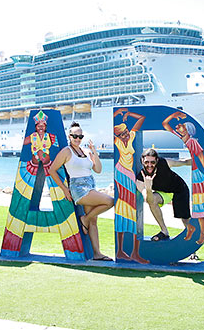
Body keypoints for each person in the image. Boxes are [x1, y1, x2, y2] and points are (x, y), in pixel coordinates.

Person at [48, 122, 113, 261]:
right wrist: (65, 189)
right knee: (109, 201)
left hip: (90, 184)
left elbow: (98, 170)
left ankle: (97, 254)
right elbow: (52, 170)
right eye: (75, 136)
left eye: (80, 136)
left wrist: (94, 151)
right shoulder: (67, 151)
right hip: (78, 188)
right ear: (69, 136)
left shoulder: (86, 151)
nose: (77, 139)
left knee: (93, 221)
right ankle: (84, 219)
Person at [163, 111, 204, 245]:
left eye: (181, 126)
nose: (178, 126)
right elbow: (165, 124)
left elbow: (201, 156)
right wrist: (172, 116)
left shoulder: (192, 142)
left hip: (198, 174)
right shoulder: (184, 140)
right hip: (195, 172)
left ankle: (202, 230)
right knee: (198, 203)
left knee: (199, 204)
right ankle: (198, 229)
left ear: (187, 130)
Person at [134, 148, 193, 241]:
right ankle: (164, 231)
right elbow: (148, 199)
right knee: (152, 201)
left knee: (185, 219)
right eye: (146, 162)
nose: (149, 165)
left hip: (179, 189)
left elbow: (184, 162)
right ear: (142, 161)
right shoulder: (140, 179)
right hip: (163, 192)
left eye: (152, 162)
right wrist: (148, 188)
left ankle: (193, 247)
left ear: (157, 160)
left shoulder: (165, 163)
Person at [113, 108, 148, 263]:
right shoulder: (117, 142)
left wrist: (126, 113)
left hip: (130, 174)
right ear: (118, 136)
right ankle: (121, 251)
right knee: (123, 206)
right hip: (121, 173)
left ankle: (134, 252)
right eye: (122, 134)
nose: (126, 134)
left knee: (131, 208)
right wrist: (115, 114)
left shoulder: (132, 135)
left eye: (126, 131)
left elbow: (142, 117)